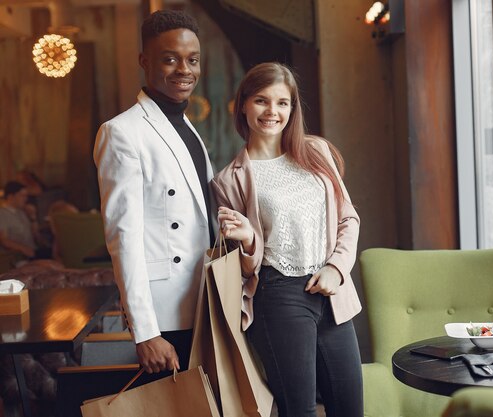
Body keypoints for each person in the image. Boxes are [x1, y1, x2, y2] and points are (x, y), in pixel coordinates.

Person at [211, 62, 363, 417]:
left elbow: (348, 217)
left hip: (332, 291)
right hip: (278, 294)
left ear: (293, 109)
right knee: (301, 411)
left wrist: (337, 268)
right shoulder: (229, 180)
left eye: (283, 103)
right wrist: (249, 239)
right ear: (244, 104)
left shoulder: (317, 152)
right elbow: (243, 267)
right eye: (262, 101)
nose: (272, 112)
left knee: (350, 408)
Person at [94, 9, 217, 377]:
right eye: (170, 59)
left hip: (205, 299)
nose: (185, 69)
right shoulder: (121, 132)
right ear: (144, 62)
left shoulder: (188, 127)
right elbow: (124, 237)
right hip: (165, 315)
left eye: (192, 60)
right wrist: (145, 331)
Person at [0, 181, 50, 260]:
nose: (25, 199)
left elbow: (35, 235)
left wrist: (33, 217)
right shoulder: (2, 214)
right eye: (22, 196)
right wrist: (24, 249)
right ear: (11, 197)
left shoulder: (22, 212)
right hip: (19, 255)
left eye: (26, 196)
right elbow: (4, 240)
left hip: (34, 249)